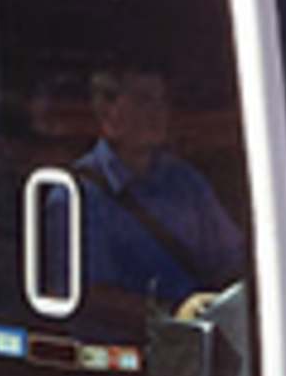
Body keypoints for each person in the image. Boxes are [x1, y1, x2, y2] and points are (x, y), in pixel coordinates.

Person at [74, 66, 245, 307]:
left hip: (204, 335)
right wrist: (174, 317)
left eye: (162, 100)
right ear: (105, 110)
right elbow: (94, 299)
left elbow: (233, 260)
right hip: (133, 342)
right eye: (143, 99)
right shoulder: (77, 195)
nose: (158, 112)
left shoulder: (186, 182)